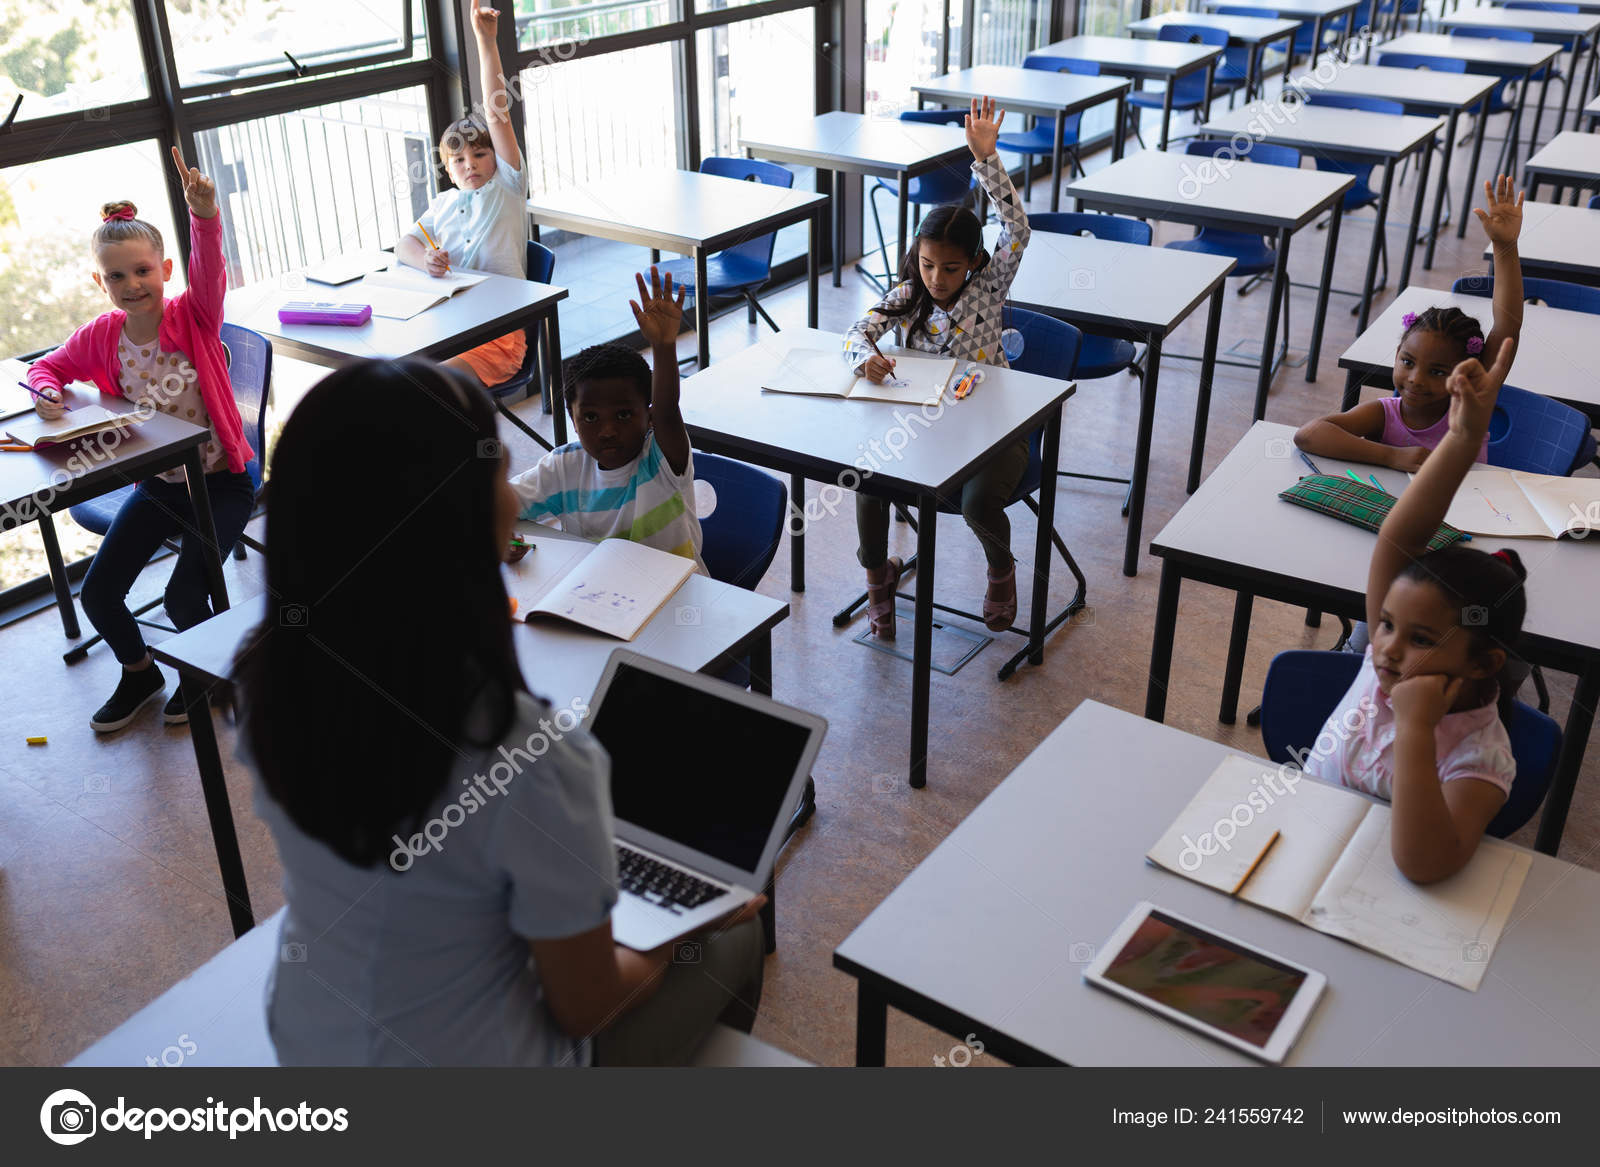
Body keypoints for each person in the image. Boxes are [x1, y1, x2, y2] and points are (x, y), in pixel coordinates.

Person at [239, 357, 763, 1065]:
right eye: (495, 471)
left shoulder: (273, 678)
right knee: (734, 936)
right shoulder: (524, 750)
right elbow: (585, 1006)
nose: (515, 500)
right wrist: (681, 927)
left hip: (308, 1037)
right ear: (458, 515)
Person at [27, 148, 256, 733]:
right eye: (118, 276)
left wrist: (204, 217)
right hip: (158, 484)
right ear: (100, 284)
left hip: (222, 484)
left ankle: (205, 673)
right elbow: (45, 367)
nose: (133, 285)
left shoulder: (194, 317)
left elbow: (212, 273)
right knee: (99, 594)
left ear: (165, 271)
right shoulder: (102, 336)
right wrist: (45, 392)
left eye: (143, 271)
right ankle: (140, 671)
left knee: (183, 601)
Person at [1304, 337, 1526, 884]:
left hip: (1384, 907)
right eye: (1384, 625)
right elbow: (1401, 533)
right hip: (1303, 852)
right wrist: (1463, 436)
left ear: (1484, 664)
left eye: (1422, 639)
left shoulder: (1479, 755)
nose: (1387, 648)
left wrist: (1416, 727)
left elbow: (1424, 866)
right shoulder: (1389, 658)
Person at [844, 96, 1027, 639]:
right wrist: (864, 359)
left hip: (993, 430)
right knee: (867, 482)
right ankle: (879, 579)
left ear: (974, 262)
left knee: (977, 502)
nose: (936, 278)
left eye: (950, 267)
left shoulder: (990, 287)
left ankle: (1001, 569)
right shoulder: (906, 295)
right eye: (926, 264)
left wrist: (986, 159)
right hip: (921, 432)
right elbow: (857, 332)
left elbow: (1016, 229)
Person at [1295, 176, 1525, 471]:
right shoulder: (1385, 414)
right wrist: (1392, 456)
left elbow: (1508, 327)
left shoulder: (1471, 404)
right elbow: (1308, 434)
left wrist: (1504, 247)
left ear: (1468, 375)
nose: (1416, 378)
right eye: (1407, 362)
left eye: (1437, 371)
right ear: (1397, 354)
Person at [510, 268, 706, 572]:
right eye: (589, 417)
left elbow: (668, 408)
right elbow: (499, 503)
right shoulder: (563, 467)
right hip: (598, 597)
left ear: (649, 415)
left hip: (677, 595)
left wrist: (664, 346)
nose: (608, 431)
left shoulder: (661, 459)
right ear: (572, 420)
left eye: (624, 414)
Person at [394, 0, 529, 391]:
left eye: (480, 154)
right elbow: (404, 245)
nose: (470, 164)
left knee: (433, 386)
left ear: (495, 159)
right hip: (451, 325)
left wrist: (486, 43)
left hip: (498, 336)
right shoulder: (445, 204)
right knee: (395, 378)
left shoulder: (506, 187)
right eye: (458, 159)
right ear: (448, 170)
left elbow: (497, 113)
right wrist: (427, 259)